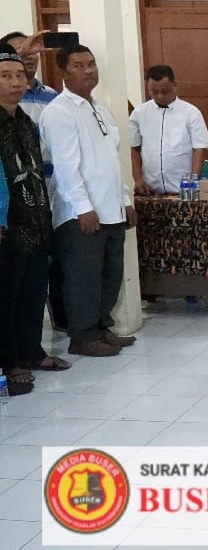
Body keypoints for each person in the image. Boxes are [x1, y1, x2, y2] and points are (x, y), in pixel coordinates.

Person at [40, 45, 137, 358]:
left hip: (111, 208)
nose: (89, 70)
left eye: (91, 64)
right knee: (83, 276)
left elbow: (112, 161)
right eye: (79, 65)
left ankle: (100, 327)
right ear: (63, 73)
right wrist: (83, 207)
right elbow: (66, 166)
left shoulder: (100, 109)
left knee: (109, 274)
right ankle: (81, 336)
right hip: (81, 212)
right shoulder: (59, 111)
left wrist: (125, 199)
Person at [0, 44, 65, 397]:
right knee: (6, 296)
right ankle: (10, 362)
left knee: (33, 291)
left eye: (20, 75)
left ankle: (32, 352)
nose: (16, 82)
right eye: (5, 76)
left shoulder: (25, 121)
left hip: (35, 219)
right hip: (6, 224)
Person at [129, 65, 208, 196]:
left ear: (174, 86)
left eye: (165, 91)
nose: (160, 96)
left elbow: (199, 149)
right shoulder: (139, 114)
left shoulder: (191, 113)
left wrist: (192, 183)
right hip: (150, 191)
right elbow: (134, 148)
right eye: (154, 91)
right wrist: (138, 179)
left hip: (182, 190)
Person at [0, 31, 57, 125]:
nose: (28, 56)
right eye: (19, 50)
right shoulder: (8, 95)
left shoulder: (52, 94)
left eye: (32, 52)